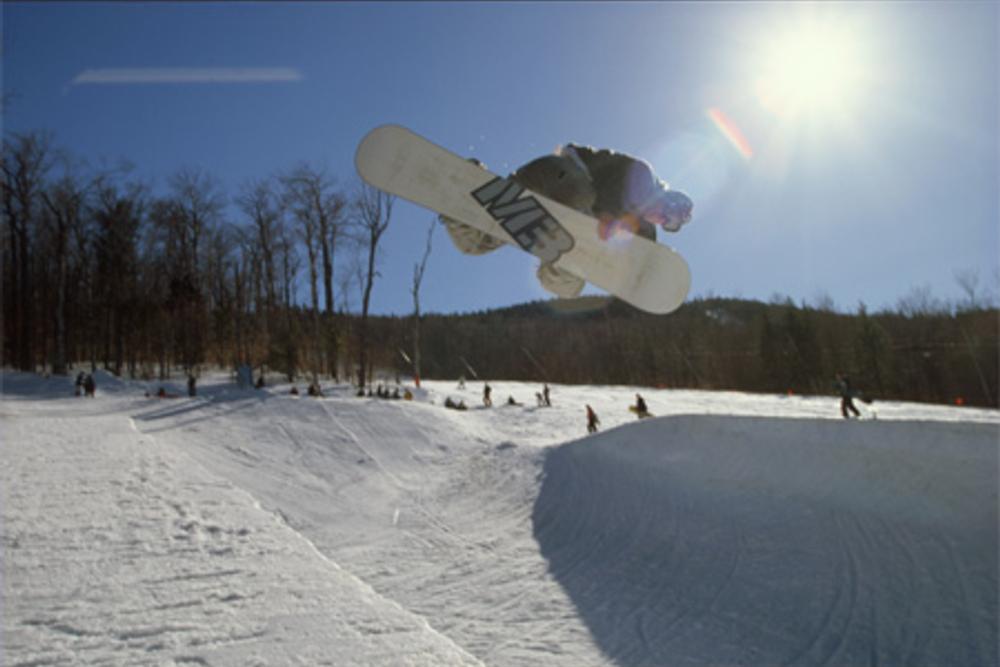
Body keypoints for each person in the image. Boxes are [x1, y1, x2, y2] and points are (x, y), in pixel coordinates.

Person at [441, 144, 693, 297]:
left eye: (669, 224)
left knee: (475, 244)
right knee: (585, 220)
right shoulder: (642, 175)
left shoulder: (646, 229)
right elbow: (627, 200)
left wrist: (643, 276)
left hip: (560, 217)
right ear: (665, 193)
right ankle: (572, 242)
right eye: (668, 210)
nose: (663, 219)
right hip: (556, 178)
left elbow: (635, 260)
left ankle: (464, 196)